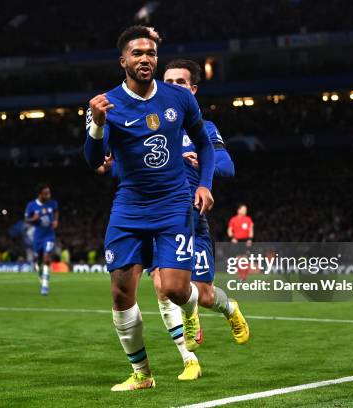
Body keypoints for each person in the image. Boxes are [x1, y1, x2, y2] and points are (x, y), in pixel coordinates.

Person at [84, 26, 215, 391]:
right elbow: (93, 159)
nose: (145, 59)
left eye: (151, 53)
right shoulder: (105, 105)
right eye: (137, 53)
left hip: (174, 204)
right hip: (129, 206)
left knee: (174, 289)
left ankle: (189, 309)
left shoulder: (179, 98)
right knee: (121, 291)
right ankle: (142, 374)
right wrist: (95, 125)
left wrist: (204, 184)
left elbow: (204, 144)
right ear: (123, 60)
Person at [149, 59, 249, 380]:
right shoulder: (150, 125)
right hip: (160, 220)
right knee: (163, 288)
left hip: (193, 221)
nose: (173, 86)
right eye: (168, 81)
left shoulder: (203, 128)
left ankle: (228, 308)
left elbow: (227, 166)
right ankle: (188, 359)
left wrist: (199, 163)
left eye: (181, 82)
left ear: (192, 89)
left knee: (202, 294)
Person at [24, 184, 59, 296]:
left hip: (49, 236)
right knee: (38, 261)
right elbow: (26, 219)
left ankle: (45, 286)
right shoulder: (31, 205)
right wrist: (33, 219)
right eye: (46, 193)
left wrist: (56, 221)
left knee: (47, 257)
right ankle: (40, 273)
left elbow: (56, 211)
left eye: (49, 193)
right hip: (38, 236)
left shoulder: (52, 203)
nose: (49, 195)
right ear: (40, 194)